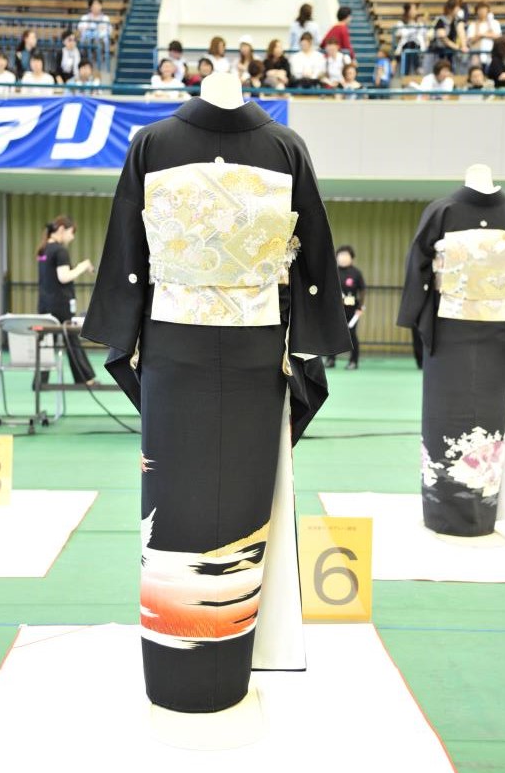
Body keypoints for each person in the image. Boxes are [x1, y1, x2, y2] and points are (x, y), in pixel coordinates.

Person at [81, 75, 352, 713]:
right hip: (226, 347)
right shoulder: (268, 146)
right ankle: (185, 660)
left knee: (228, 502)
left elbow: (309, 251)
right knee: (182, 501)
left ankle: (216, 662)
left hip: (195, 347)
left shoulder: (171, 143)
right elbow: (133, 246)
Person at [397, 169, 505, 538]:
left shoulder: (450, 210)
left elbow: (418, 263)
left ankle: (464, 513)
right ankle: (460, 513)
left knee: (469, 418)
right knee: (459, 417)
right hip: (475, 330)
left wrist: (415, 313)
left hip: (469, 330)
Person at [37, 215, 97, 386]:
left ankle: (40, 381)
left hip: (44, 304)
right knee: (72, 340)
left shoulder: (43, 250)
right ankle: (85, 378)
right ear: (62, 229)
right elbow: (63, 277)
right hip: (61, 305)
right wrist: (82, 266)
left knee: (45, 342)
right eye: (72, 232)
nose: (72, 237)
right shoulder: (60, 251)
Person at [325, 245, 366, 369]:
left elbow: (362, 290)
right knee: (332, 334)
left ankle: (353, 361)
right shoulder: (332, 272)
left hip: (351, 310)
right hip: (334, 309)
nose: (343, 258)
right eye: (340, 255)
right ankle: (330, 359)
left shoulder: (356, 273)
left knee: (351, 334)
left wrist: (360, 307)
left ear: (352, 258)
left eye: (346, 255)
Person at [77, 0, 112, 72]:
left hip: (100, 40)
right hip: (87, 40)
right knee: (86, 43)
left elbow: (108, 30)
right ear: (90, 7)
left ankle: (97, 66)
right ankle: (87, 63)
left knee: (98, 43)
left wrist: (98, 33)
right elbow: (81, 28)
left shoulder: (105, 18)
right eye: (94, 4)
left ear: (101, 6)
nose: (96, 6)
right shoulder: (84, 18)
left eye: (98, 4)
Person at [431, 0, 467, 72]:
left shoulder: (457, 20)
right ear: (450, 9)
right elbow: (442, 37)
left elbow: (461, 32)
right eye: (457, 8)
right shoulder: (441, 20)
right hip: (440, 52)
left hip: (452, 53)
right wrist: (456, 47)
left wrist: (464, 46)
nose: (458, 10)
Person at [393, 3, 427, 75]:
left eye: (416, 9)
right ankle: (411, 70)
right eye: (413, 9)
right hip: (404, 49)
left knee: (413, 45)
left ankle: (417, 68)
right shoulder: (401, 23)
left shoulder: (419, 24)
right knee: (410, 45)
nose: (416, 12)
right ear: (408, 11)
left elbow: (424, 36)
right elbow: (399, 36)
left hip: (419, 49)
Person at [466, 2, 501, 70]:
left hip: (492, 55)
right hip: (477, 54)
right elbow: (470, 40)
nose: (482, 12)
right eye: (480, 10)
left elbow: (498, 36)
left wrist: (482, 34)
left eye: (484, 9)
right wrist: (481, 36)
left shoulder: (494, 23)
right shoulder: (472, 25)